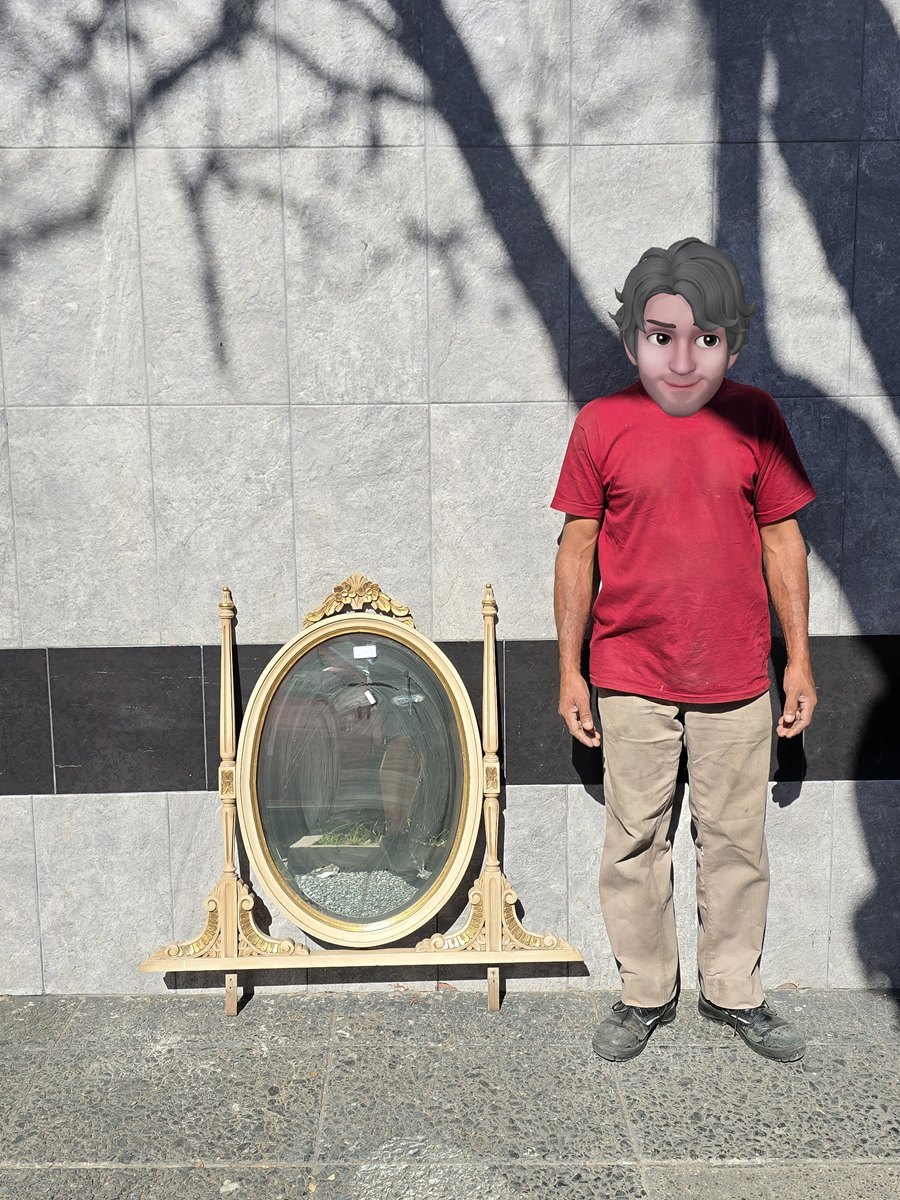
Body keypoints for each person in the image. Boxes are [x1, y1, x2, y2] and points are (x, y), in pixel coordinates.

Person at [552, 237, 817, 1063]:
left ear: (731, 343)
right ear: (634, 337)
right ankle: (644, 994)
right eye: (661, 335)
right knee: (635, 841)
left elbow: (783, 540)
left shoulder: (756, 417)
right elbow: (577, 547)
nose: (681, 357)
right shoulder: (601, 424)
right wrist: (569, 671)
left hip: (736, 673)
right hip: (630, 673)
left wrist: (798, 660)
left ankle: (734, 991)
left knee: (735, 842)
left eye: (704, 338)